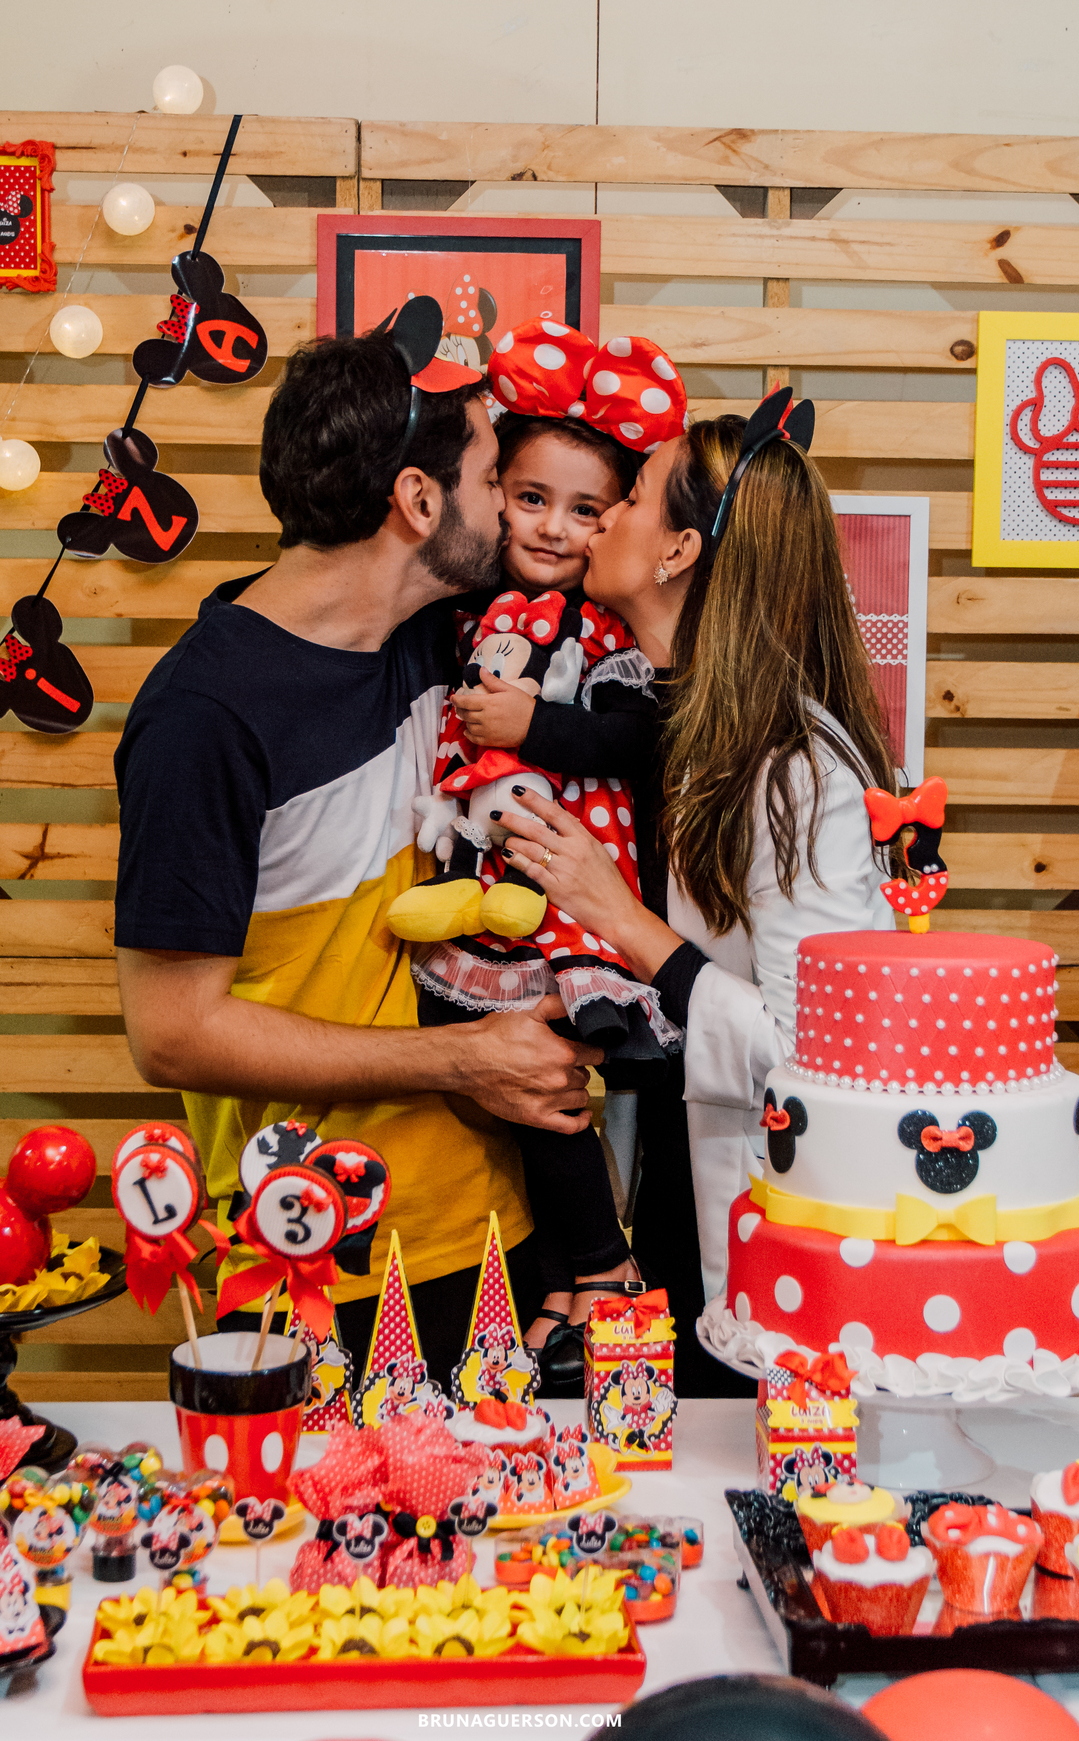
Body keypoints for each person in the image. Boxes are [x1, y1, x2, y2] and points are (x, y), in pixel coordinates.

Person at [113, 306, 603, 1390]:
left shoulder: (439, 634)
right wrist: (465, 1061)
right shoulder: (205, 717)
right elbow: (174, 1035)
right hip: (310, 1255)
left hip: (497, 1229)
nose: (512, 507)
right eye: (494, 479)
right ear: (418, 501)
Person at [496, 391, 897, 1393]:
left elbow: (818, 1054)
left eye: (628, 498)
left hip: (770, 1217)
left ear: (678, 551)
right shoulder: (666, 722)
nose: (600, 520)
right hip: (671, 1181)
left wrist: (619, 919)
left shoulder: (795, 769)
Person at [386, 320, 691, 1391]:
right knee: (500, 1077)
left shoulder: (600, 627)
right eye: (529, 497)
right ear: (492, 496)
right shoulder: (460, 609)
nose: (554, 527)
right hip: (487, 881)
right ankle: (563, 1281)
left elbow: (642, 741)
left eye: (586, 510)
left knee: (544, 1077)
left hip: (568, 886)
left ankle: (605, 1266)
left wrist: (536, 729)